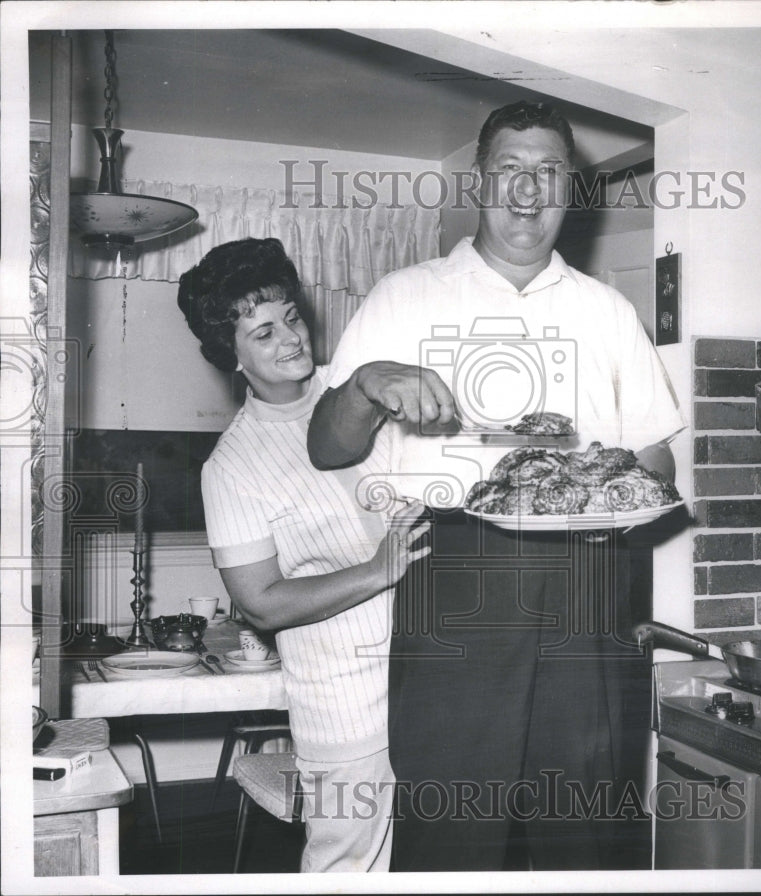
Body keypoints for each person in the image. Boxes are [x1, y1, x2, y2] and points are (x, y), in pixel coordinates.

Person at [307, 102, 685, 871]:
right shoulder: (403, 295)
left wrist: (599, 484)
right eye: (509, 170)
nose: (526, 192)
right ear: (480, 182)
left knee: (586, 830)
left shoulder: (608, 311)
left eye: (547, 173)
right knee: (453, 826)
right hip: (456, 582)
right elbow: (326, 448)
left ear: (570, 190)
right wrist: (368, 384)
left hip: (590, 588)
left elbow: (660, 467)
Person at [177, 237, 430, 872]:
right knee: (346, 866)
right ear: (228, 356)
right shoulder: (231, 467)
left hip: (432, 673)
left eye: (291, 316)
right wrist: (376, 571)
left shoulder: (365, 391)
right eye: (262, 333)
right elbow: (259, 603)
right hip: (343, 701)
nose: (289, 338)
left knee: (439, 859)